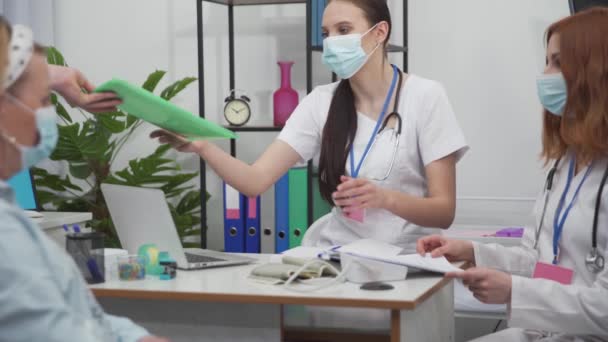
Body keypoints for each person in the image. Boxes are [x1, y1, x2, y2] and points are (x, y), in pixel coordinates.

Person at [151, 0, 468, 252]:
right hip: (338, 255)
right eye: (327, 33)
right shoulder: (321, 102)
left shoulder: (426, 96)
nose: (332, 42)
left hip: (408, 257)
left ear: (379, 32)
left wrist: (384, 198)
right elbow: (254, 181)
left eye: (344, 29)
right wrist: (203, 147)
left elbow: (444, 211)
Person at [417, 7, 608, 341]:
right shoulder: (565, 166)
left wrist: (515, 292)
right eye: (546, 61)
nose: (545, 74)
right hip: (547, 331)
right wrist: (472, 252)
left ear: (595, 72)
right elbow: (554, 271)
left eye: (558, 62)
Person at [0, 22, 167, 342]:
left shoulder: (11, 215)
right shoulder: (6, 239)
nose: (49, 114)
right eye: (45, 100)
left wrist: (134, 337)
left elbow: (80, 316)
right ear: (5, 110)